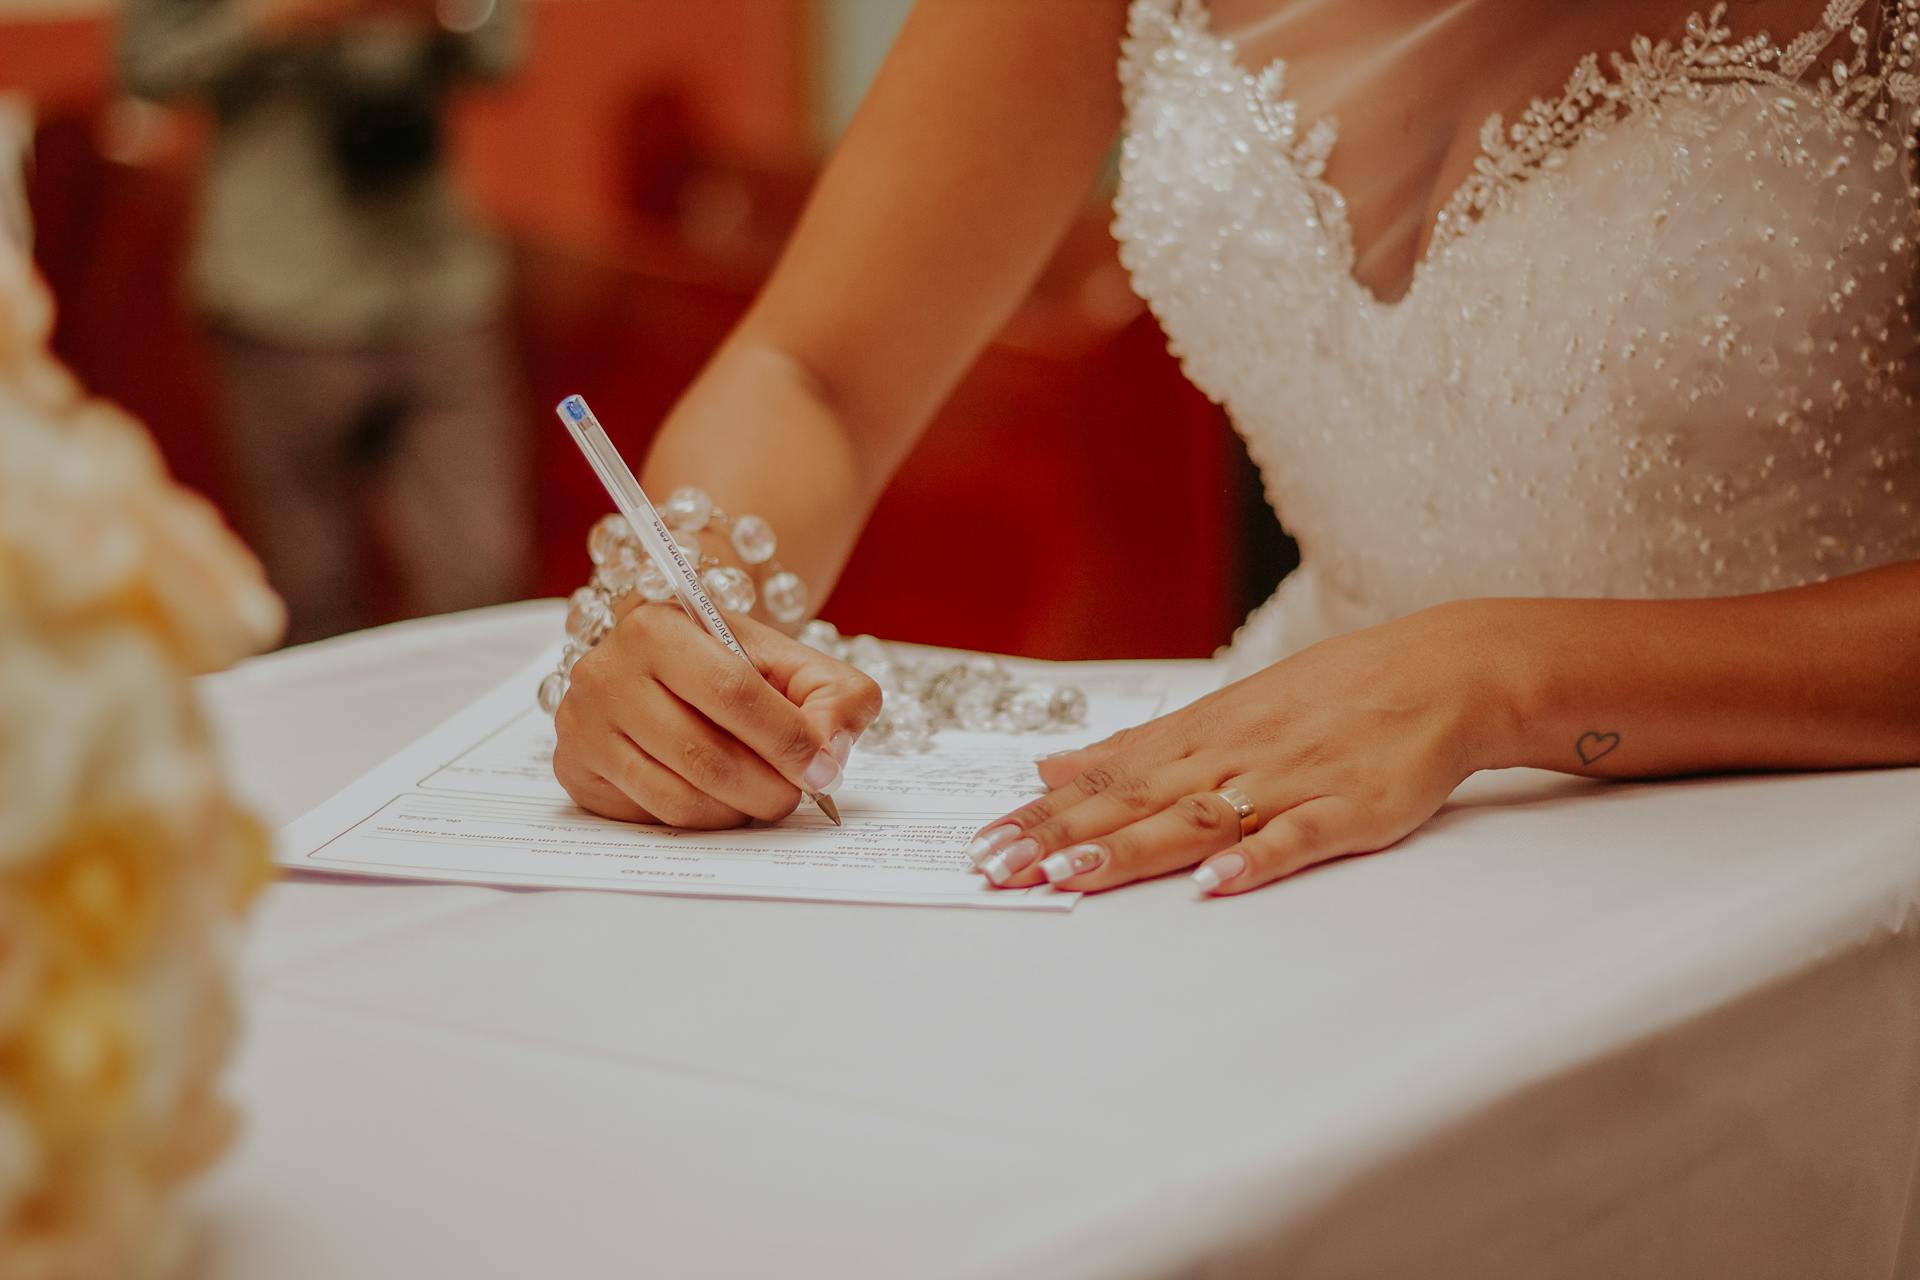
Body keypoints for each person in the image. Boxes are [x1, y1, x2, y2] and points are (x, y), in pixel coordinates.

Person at [550, 0, 1920, 898]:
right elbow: (817, 376)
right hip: (1286, 820)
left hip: (1806, 846)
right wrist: (690, 603)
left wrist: (1494, 674)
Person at [121, 0, 530, 643]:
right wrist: (275, 19)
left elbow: (501, 54)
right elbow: (142, 68)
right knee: (312, 595)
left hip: (436, 289)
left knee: (481, 583)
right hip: (280, 297)